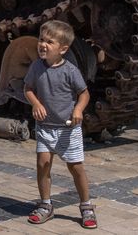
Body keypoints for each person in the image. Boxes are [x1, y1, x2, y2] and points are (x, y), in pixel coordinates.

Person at [24, 20, 97, 229]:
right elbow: (28, 88)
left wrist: (78, 110)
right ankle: (46, 204)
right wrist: (35, 103)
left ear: (63, 49)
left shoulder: (70, 70)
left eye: (49, 41)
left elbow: (84, 94)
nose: (42, 45)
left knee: (76, 168)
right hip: (45, 127)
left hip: (68, 129)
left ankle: (86, 206)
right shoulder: (36, 66)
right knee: (42, 165)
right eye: (41, 39)